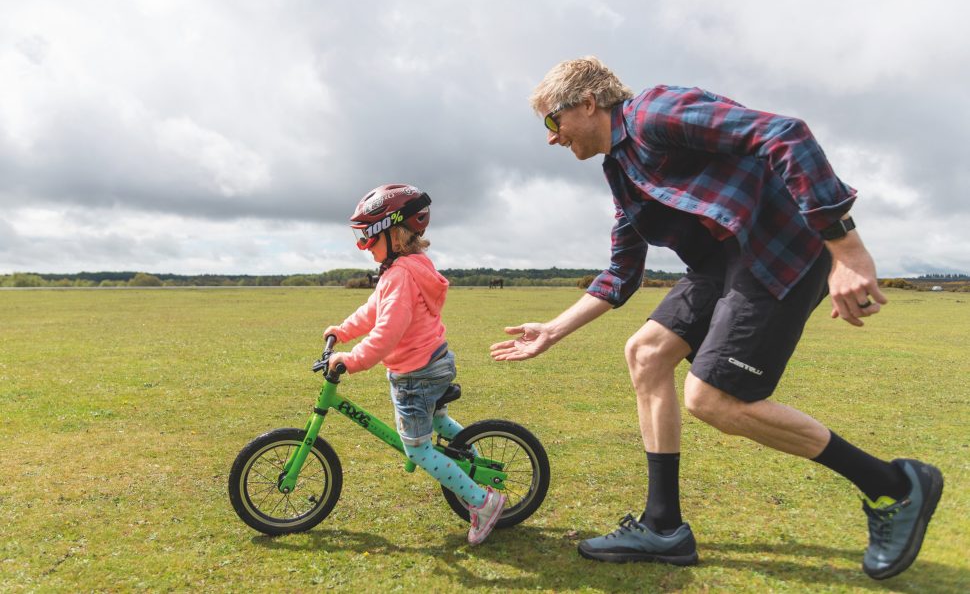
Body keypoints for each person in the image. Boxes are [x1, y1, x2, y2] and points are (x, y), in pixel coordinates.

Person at [490, 57, 943, 579]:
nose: (551, 138)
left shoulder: (654, 111)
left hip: (777, 249)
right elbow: (622, 273)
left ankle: (896, 485)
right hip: (720, 264)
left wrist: (848, 251)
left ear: (588, 103)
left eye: (553, 121)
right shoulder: (621, 171)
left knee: (714, 399)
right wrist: (553, 329)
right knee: (645, 353)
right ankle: (663, 527)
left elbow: (785, 134)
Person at [326, 183, 506, 545]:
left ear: (393, 233)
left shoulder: (400, 275)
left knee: (418, 448)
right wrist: (343, 331)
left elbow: (388, 331)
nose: (363, 247)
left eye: (367, 238)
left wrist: (353, 359)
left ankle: (483, 501)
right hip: (433, 360)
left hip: (417, 373)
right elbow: (373, 310)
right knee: (437, 420)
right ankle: (474, 466)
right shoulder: (407, 267)